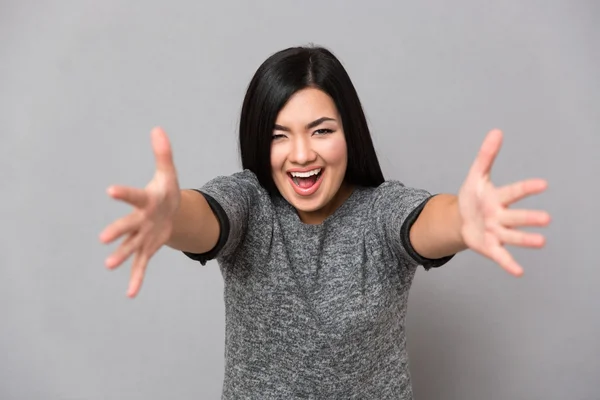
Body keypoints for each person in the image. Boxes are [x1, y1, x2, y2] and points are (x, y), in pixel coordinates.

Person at [99, 46, 550, 399]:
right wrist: (171, 215)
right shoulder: (251, 203)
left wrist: (460, 221)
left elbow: (425, 223)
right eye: (279, 135)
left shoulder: (380, 210)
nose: (301, 155)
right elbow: (207, 217)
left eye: (321, 130)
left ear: (348, 133)